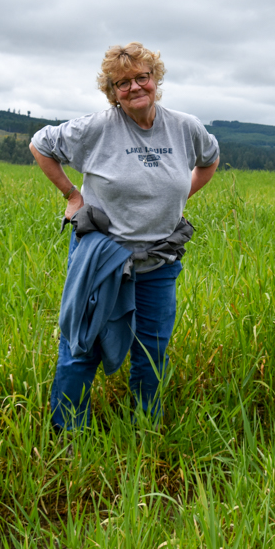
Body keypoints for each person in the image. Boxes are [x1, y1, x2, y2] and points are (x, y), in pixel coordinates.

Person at [30, 42, 219, 430]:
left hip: (159, 260)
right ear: (112, 92)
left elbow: (210, 158)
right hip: (102, 257)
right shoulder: (97, 128)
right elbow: (40, 144)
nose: (134, 87)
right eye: (122, 83)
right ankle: (70, 437)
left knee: (152, 350)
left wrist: (180, 197)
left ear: (155, 80)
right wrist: (73, 196)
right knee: (82, 344)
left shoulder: (185, 127)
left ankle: (146, 430)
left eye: (141, 78)